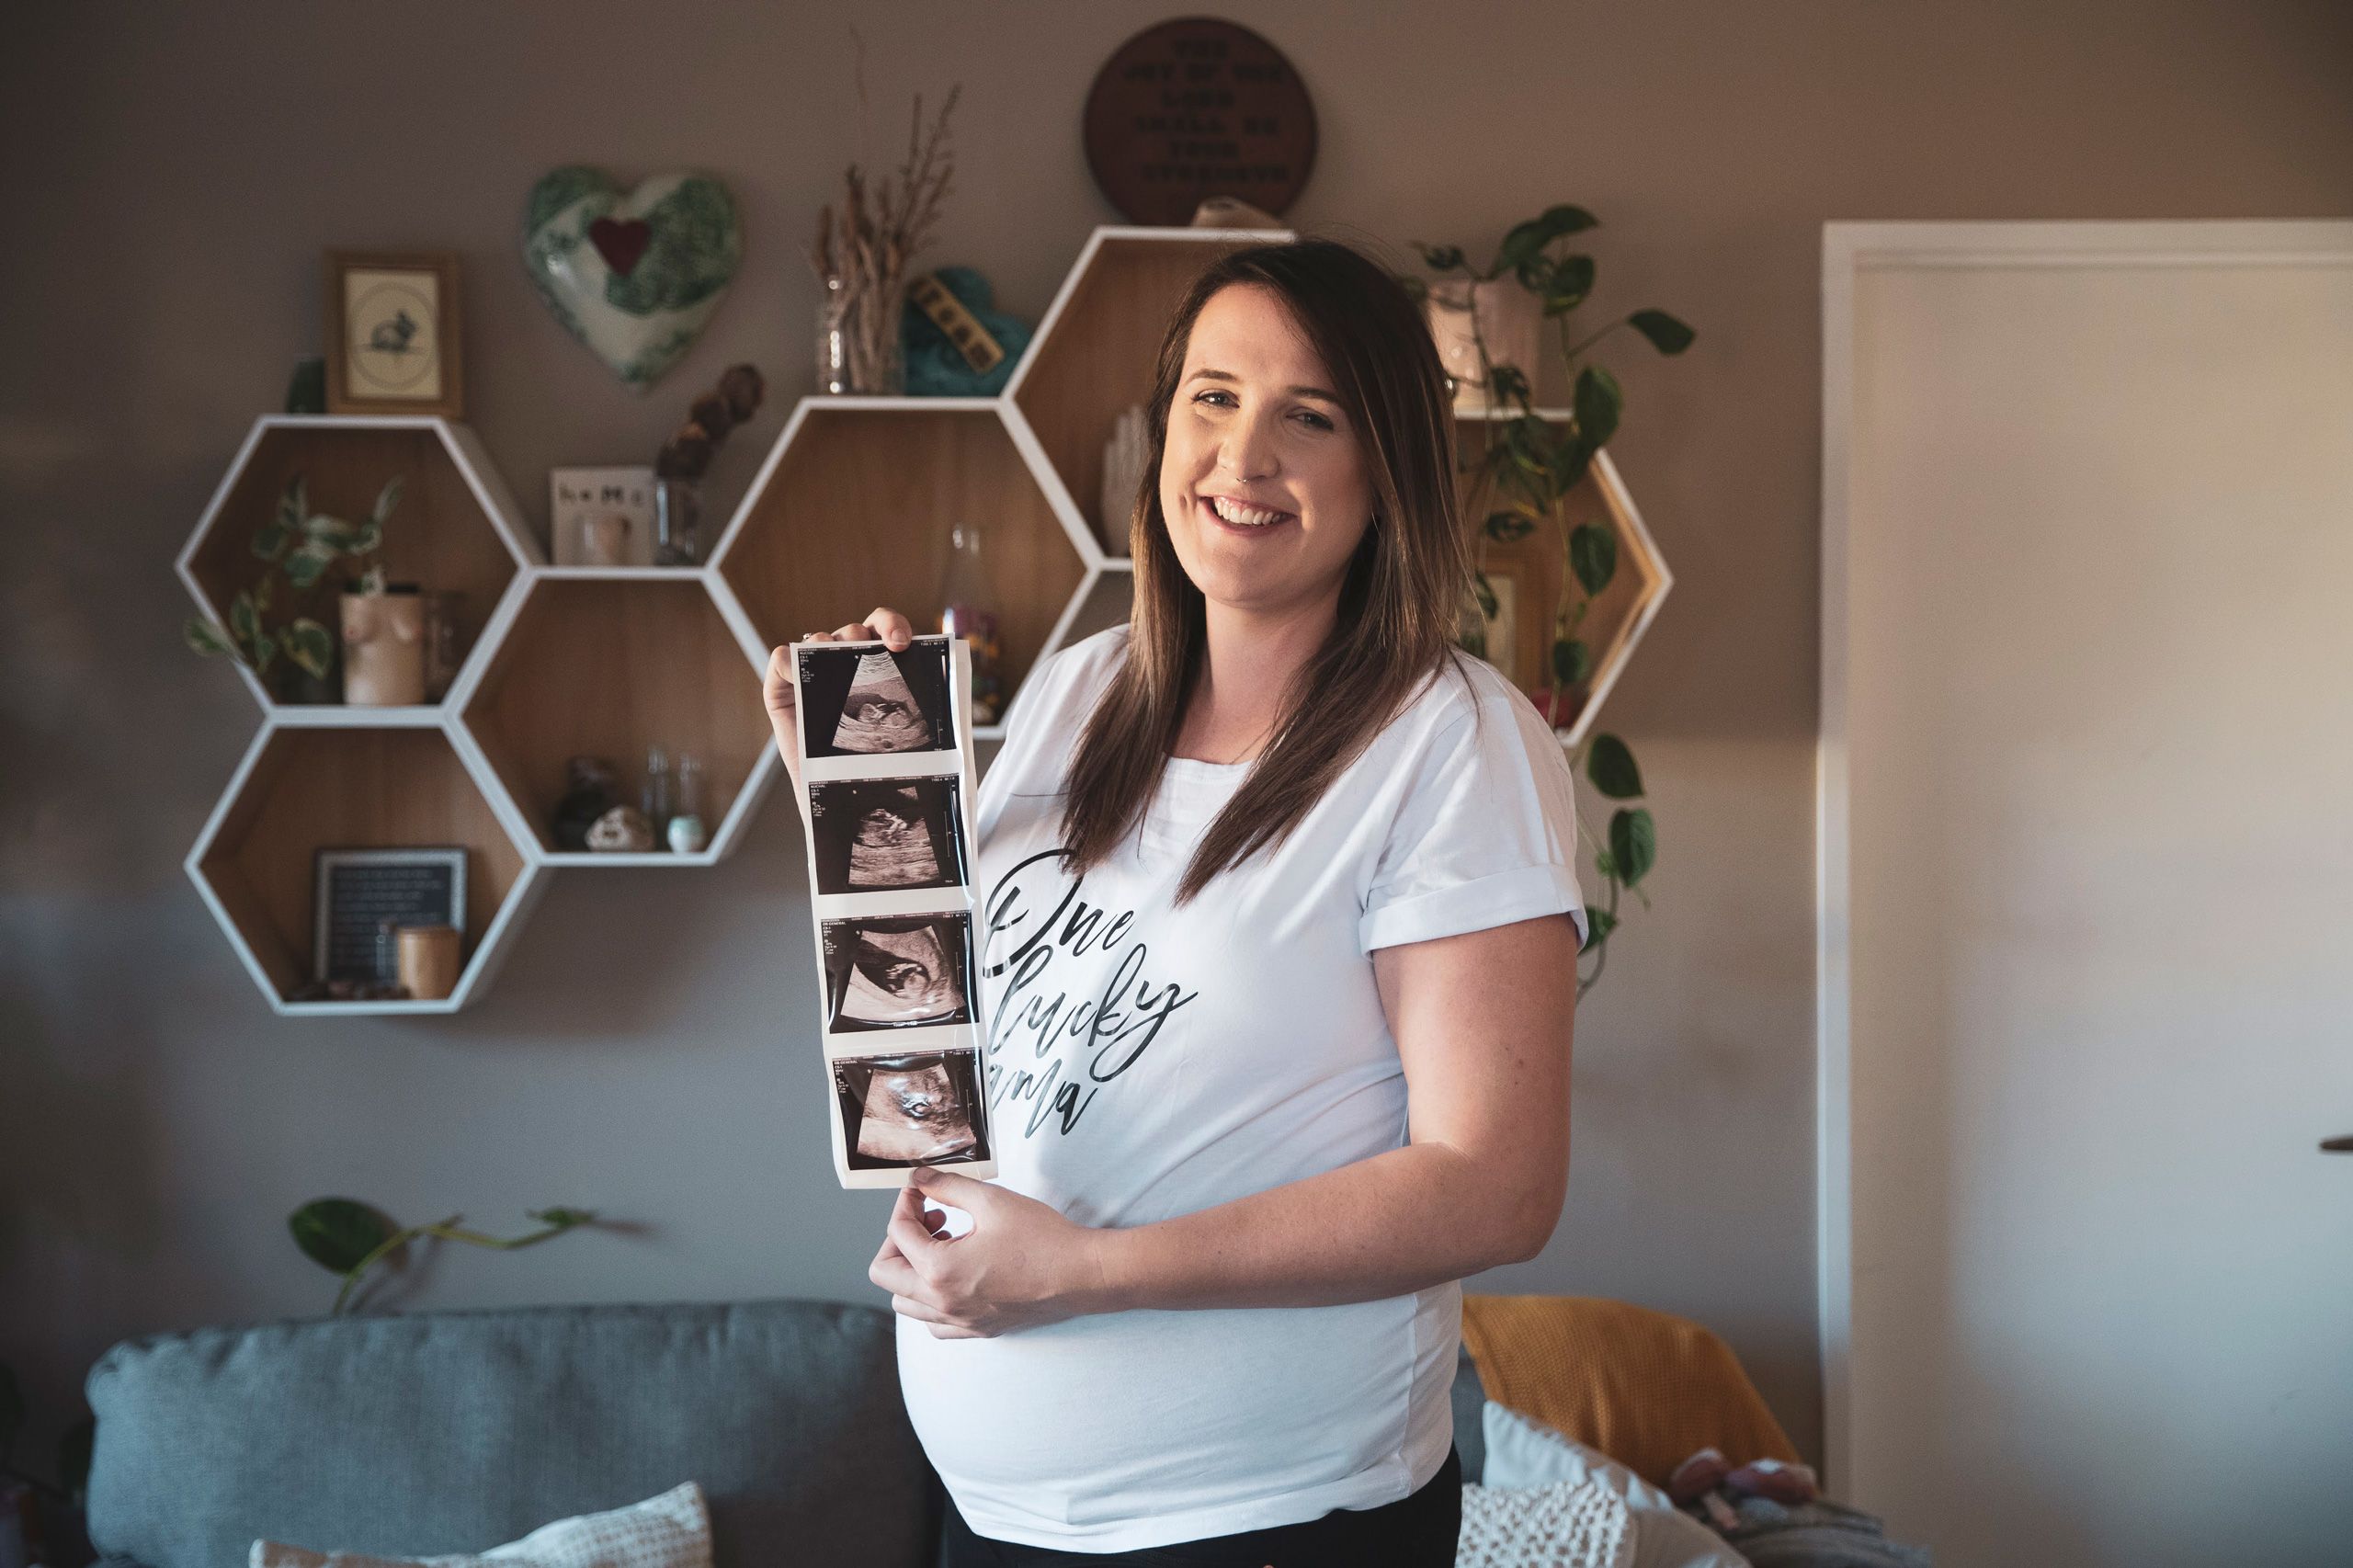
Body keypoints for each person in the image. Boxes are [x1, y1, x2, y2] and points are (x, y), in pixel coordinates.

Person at [763, 236, 1587, 1567]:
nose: (1242, 458)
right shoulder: (1085, 690)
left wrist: (1082, 1271)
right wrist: (857, 797)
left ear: (1386, 469)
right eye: (1213, 397)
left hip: (1274, 1526)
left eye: (1306, 416)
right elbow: (965, 1044)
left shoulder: (1450, 744)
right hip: (1000, 1524)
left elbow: (1494, 1187)